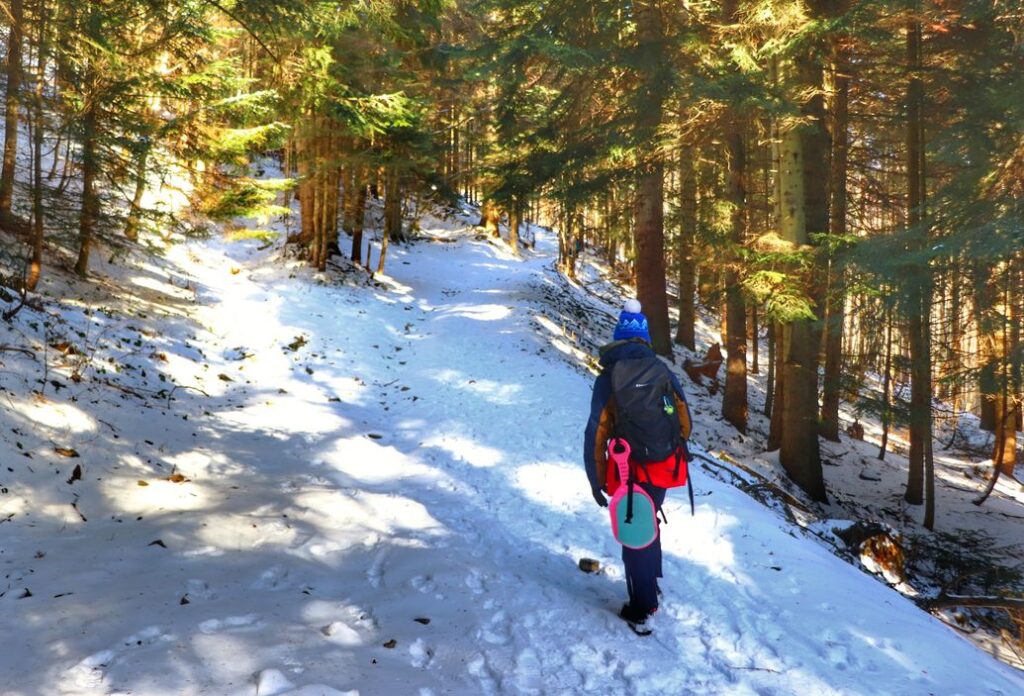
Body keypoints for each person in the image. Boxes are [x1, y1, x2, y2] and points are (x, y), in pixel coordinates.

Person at [583, 299, 692, 632]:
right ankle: (650, 586)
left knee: (634, 534)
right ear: (644, 338)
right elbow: (685, 422)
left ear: (619, 336)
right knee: (649, 526)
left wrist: (596, 480)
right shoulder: (662, 371)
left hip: (626, 471)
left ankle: (642, 606)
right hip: (662, 467)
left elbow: (596, 434)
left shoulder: (609, 378)